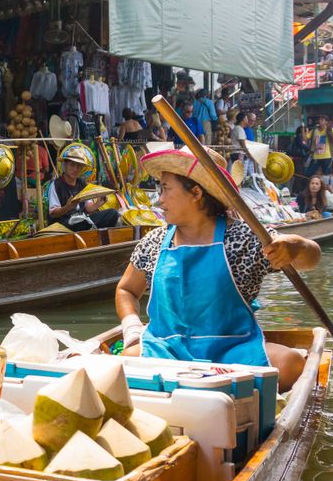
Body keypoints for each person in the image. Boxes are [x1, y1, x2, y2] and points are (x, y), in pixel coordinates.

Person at [115, 147, 321, 391]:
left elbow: (311, 258)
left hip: (232, 352)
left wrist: (296, 246)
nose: (160, 199)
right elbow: (126, 289)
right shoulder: (155, 241)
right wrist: (132, 329)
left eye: (166, 189)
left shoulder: (244, 237)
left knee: (292, 364)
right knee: (116, 368)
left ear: (196, 193)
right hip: (165, 351)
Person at [48, 148, 119, 230]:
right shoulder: (56, 185)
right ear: (65, 165)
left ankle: (102, 239)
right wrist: (67, 207)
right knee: (82, 223)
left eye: (79, 166)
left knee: (113, 213)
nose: (75, 169)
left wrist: (98, 204)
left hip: (82, 219)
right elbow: (53, 214)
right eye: (72, 165)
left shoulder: (82, 183)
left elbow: (88, 208)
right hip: (64, 223)